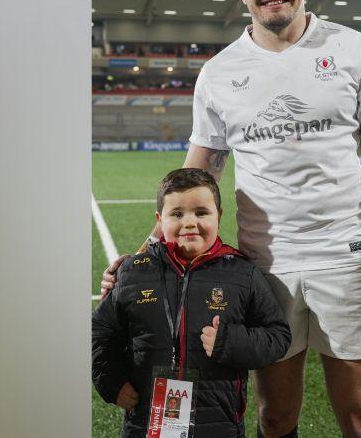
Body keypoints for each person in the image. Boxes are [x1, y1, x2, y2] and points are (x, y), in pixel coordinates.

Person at [102, 0, 361, 438]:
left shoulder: (353, 49)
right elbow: (198, 175)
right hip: (263, 268)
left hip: (347, 257)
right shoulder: (219, 72)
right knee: (276, 414)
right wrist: (147, 251)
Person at [92, 168, 291, 438]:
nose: (189, 223)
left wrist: (230, 341)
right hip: (146, 422)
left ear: (218, 216)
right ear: (159, 220)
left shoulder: (243, 274)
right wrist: (111, 381)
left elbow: (277, 336)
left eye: (201, 212)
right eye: (177, 214)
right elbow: (101, 330)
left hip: (218, 424)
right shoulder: (134, 273)